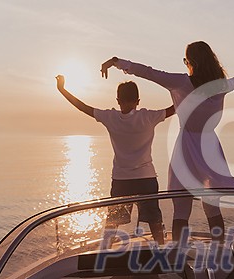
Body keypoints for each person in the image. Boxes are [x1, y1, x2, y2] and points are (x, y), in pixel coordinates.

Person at [100, 41, 234, 242]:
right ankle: (219, 252)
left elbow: (148, 72)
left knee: (181, 209)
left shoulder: (182, 83)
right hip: (210, 149)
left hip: (186, 149)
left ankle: (179, 256)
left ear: (190, 62)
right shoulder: (220, 85)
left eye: (186, 60)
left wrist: (117, 62)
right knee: (212, 208)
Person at [55, 75, 174, 245]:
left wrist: (62, 89)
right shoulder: (148, 117)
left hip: (121, 179)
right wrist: (191, 91)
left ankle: (105, 253)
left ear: (118, 100)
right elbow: (175, 108)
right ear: (138, 101)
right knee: (154, 219)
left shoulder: (110, 117)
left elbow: (83, 107)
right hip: (146, 178)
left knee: (112, 222)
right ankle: (161, 251)